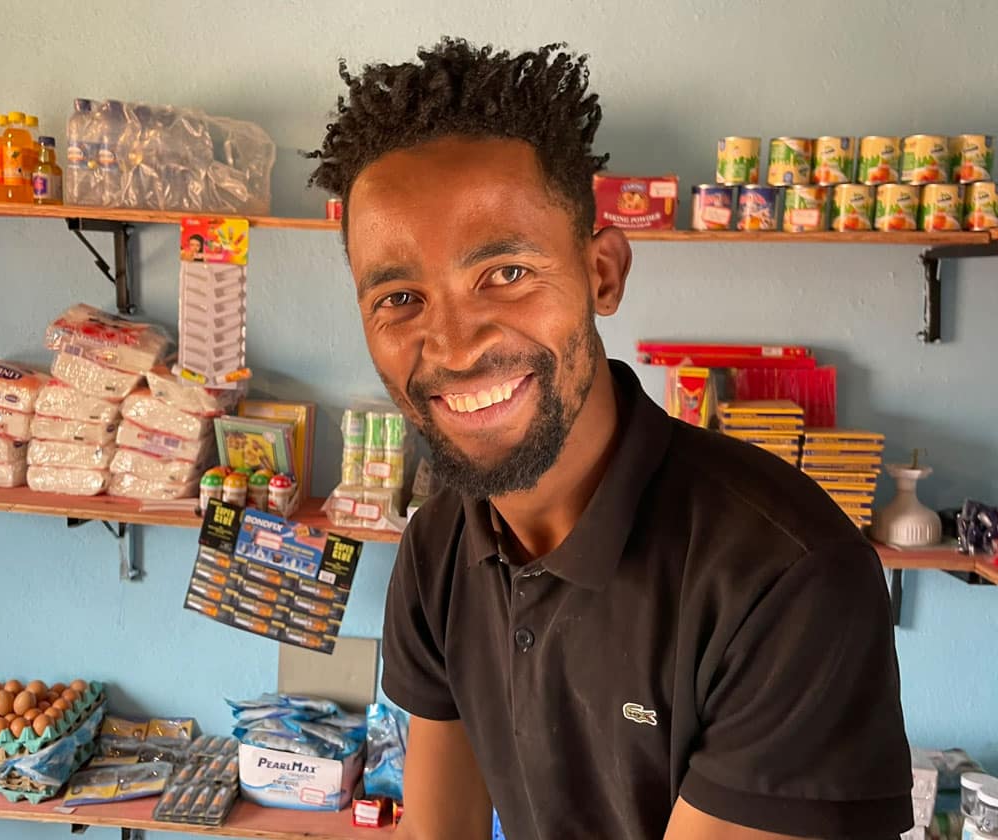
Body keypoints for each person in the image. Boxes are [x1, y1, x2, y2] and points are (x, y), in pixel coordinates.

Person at [308, 38, 913, 840]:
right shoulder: (438, 549)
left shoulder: (785, 580)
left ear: (603, 274)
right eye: (399, 296)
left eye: (506, 274)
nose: (452, 346)